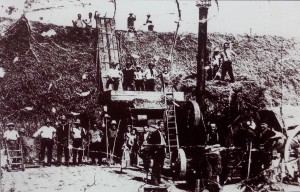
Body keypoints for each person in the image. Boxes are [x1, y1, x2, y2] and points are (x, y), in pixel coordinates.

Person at [147, 121, 167, 185]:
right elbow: (150, 142)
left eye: (163, 126)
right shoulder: (155, 133)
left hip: (162, 151)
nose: (162, 127)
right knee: (156, 166)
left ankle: (158, 179)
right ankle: (154, 180)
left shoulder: (163, 133)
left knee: (161, 166)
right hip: (156, 152)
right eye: (161, 126)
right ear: (158, 126)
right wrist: (154, 151)